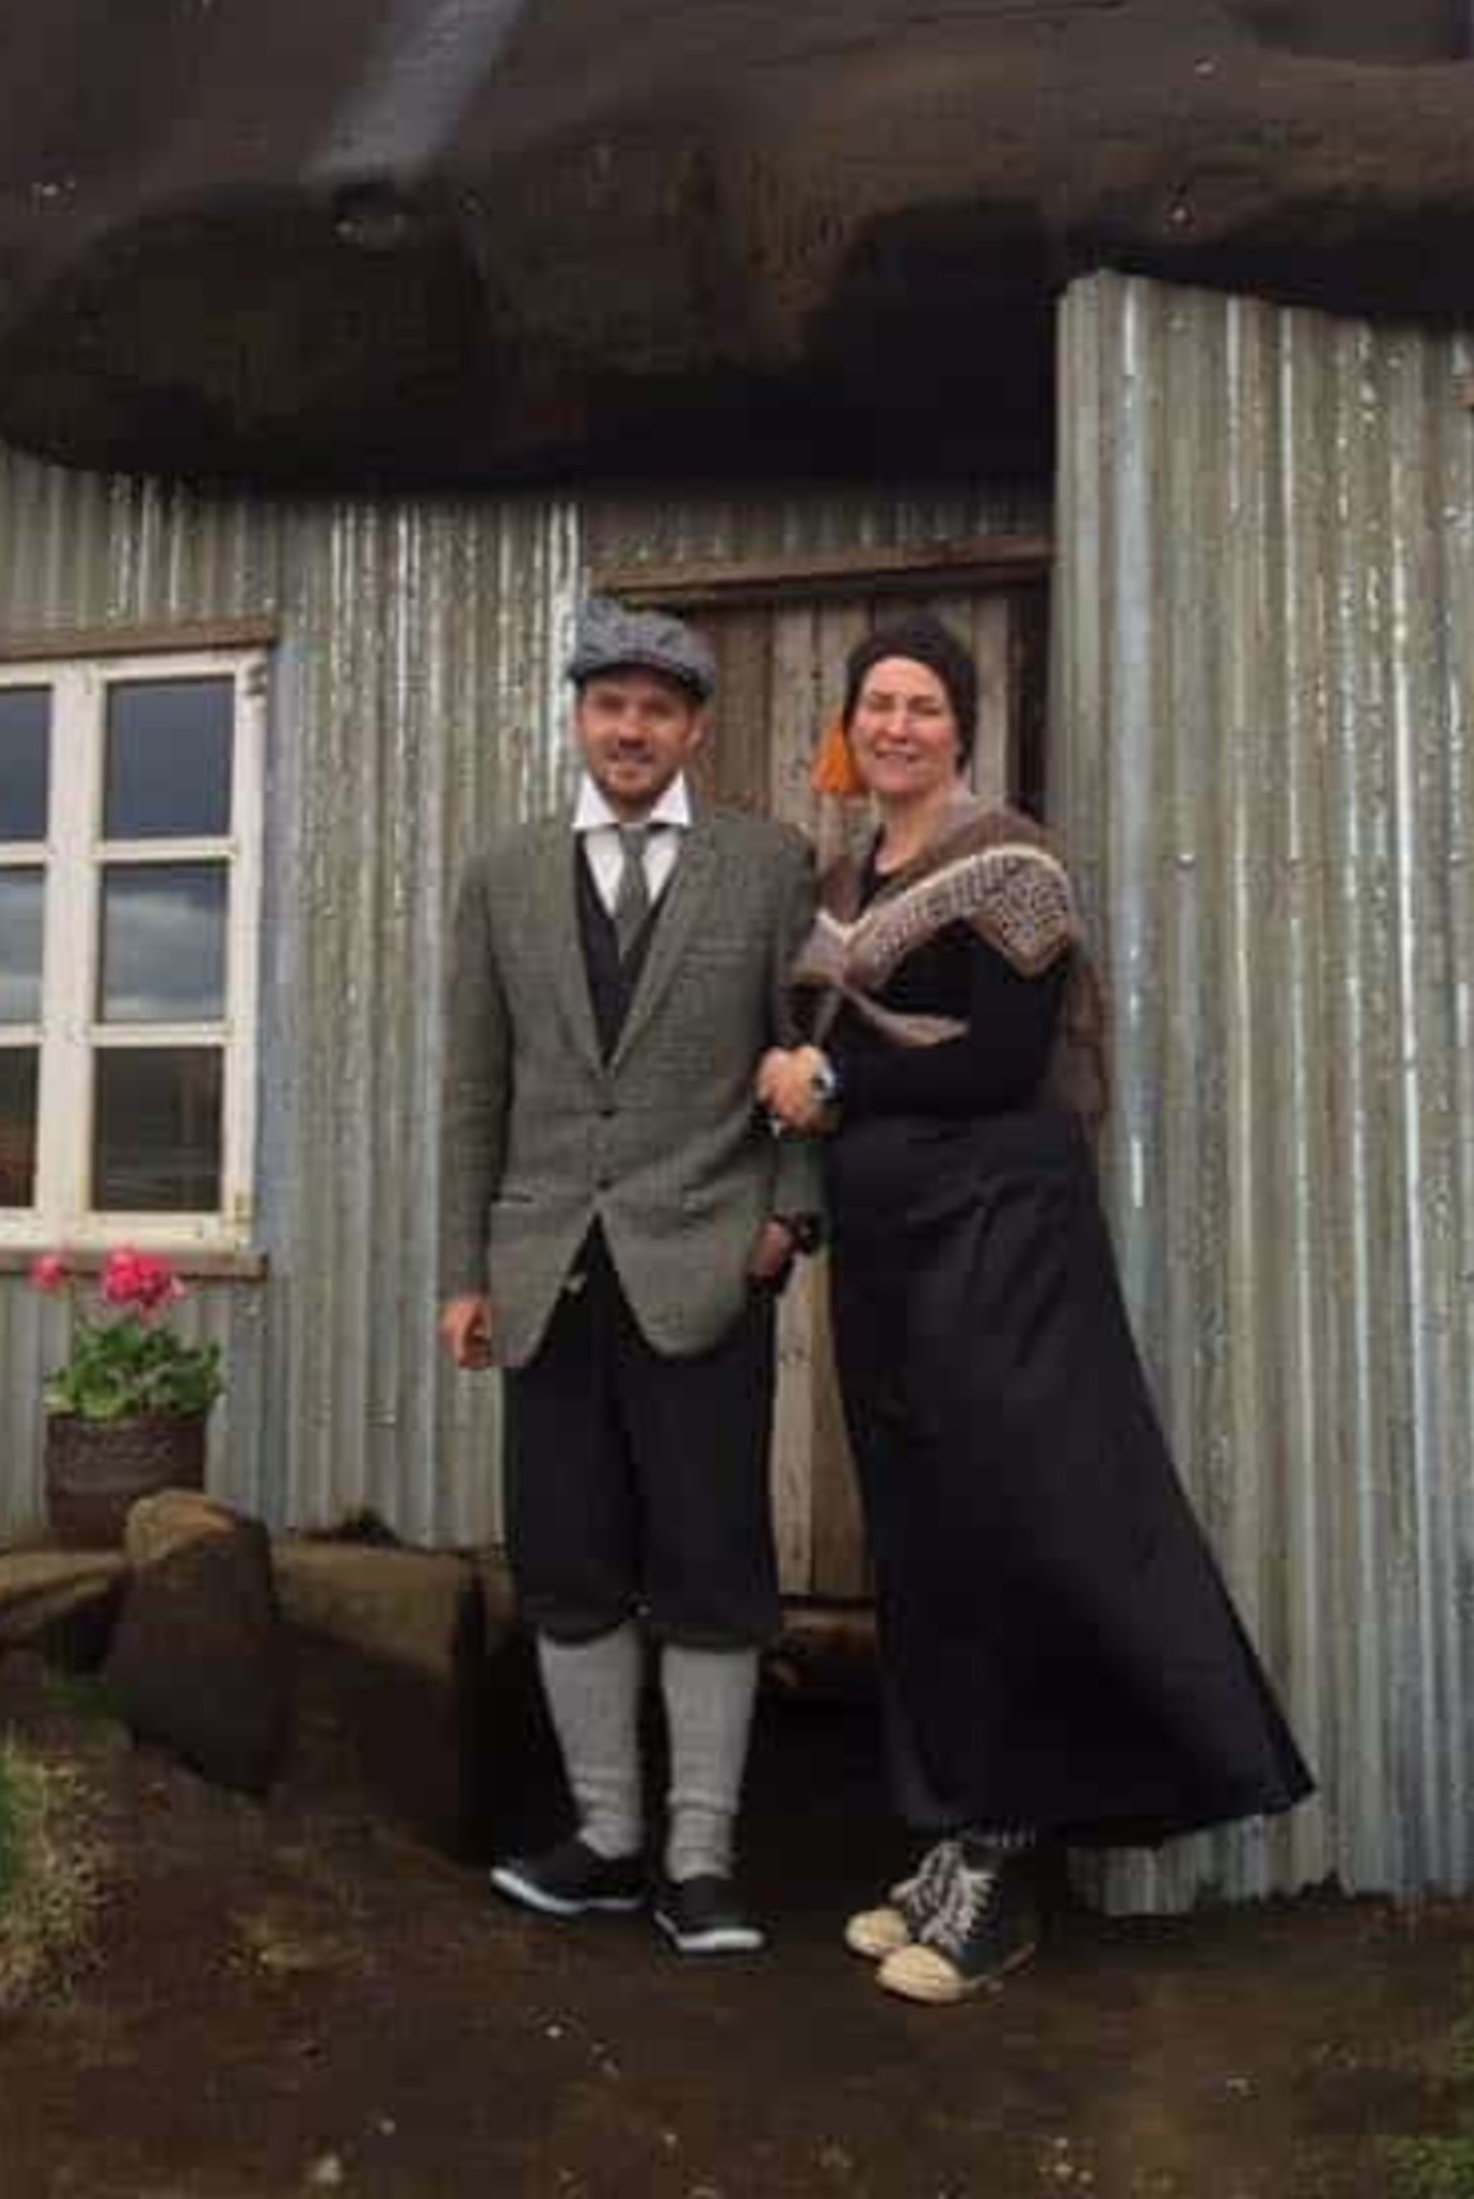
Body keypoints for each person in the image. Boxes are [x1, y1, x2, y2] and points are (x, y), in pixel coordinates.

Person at [760, 613, 1312, 2005]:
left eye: (924, 707)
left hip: (1001, 1236)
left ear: (963, 727)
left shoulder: (1013, 864)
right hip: (887, 1246)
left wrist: (833, 1088)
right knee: (923, 1536)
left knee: (1016, 1525)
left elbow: (1003, 1062)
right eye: (876, 704)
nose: (896, 726)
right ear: (849, 726)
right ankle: (955, 1835)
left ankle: (1009, 1871)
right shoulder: (840, 878)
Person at [439, 595, 823, 1958]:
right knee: (568, 1556)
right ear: (580, 718)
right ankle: (606, 1838)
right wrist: (462, 1269)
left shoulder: (771, 867)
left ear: (694, 729)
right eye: (609, 704)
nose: (631, 728)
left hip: (703, 1266)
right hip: (545, 1271)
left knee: (713, 1560)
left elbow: (812, 1062)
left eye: (657, 709)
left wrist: (787, 1222)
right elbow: (475, 1088)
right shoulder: (501, 875)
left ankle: (702, 1858)